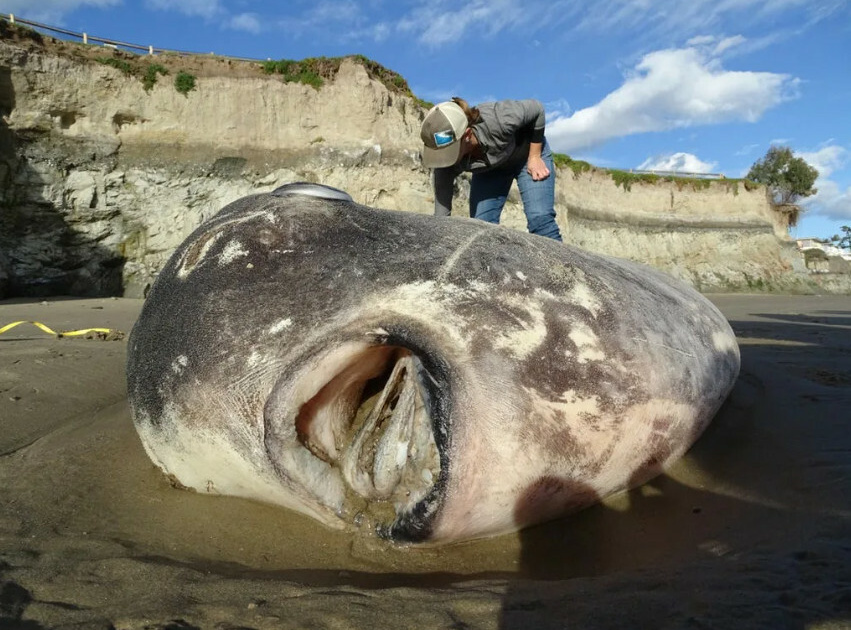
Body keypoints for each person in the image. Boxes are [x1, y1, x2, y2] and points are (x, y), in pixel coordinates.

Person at [420, 97, 562, 242]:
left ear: (467, 135)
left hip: (527, 156)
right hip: (492, 170)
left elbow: (537, 109)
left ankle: (564, 265)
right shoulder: (445, 165)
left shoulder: (497, 118)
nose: (444, 158)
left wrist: (535, 156)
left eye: (449, 151)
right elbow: (441, 218)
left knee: (540, 220)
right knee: (480, 228)